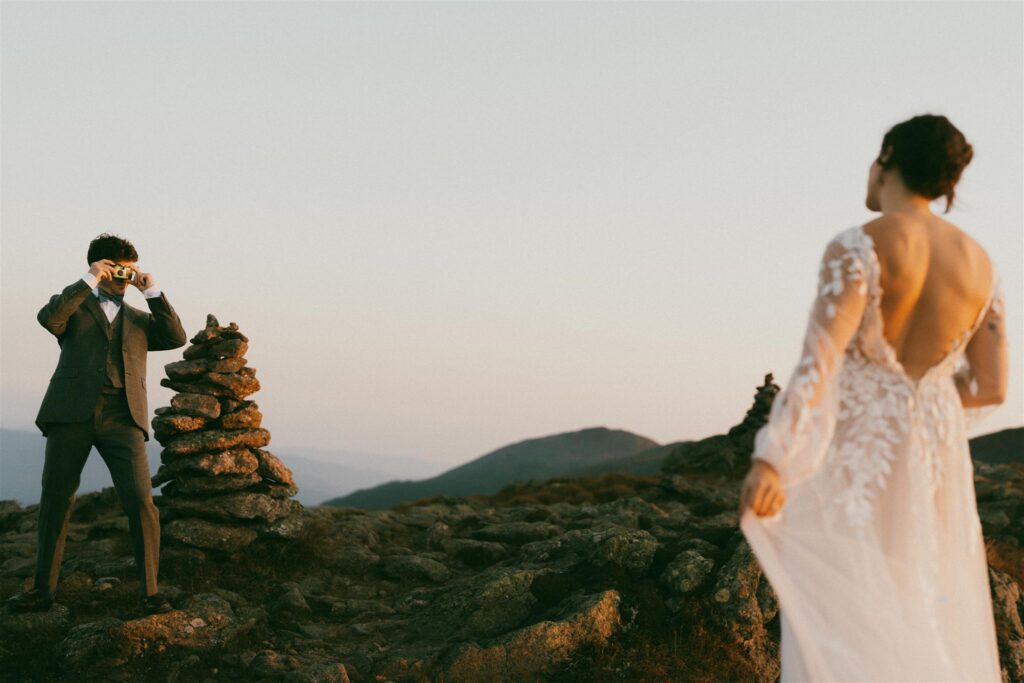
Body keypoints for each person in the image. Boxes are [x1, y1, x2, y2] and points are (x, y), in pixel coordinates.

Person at [738, 114, 1007, 681]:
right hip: (935, 455)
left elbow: (819, 363)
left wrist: (772, 457)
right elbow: (992, 386)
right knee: (922, 600)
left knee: (848, 612)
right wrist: (924, 398)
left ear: (886, 157)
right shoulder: (982, 266)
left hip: (858, 451)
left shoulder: (858, 246)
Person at [6, 233, 188, 616]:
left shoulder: (139, 319)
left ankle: (150, 593)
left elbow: (175, 336)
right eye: (117, 267)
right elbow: (49, 318)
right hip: (70, 413)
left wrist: (150, 289)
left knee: (141, 503)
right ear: (101, 266)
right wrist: (89, 279)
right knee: (56, 500)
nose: (123, 275)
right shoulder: (74, 308)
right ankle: (43, 591)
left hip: (124, 416)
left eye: (129, 269)